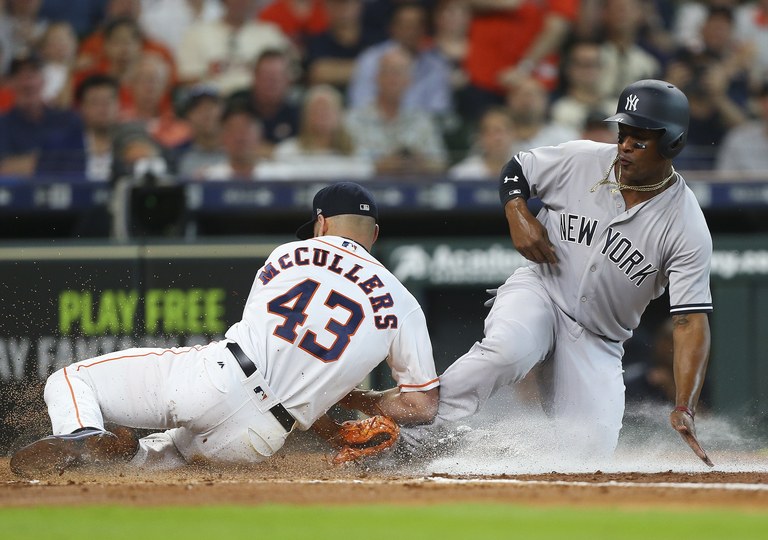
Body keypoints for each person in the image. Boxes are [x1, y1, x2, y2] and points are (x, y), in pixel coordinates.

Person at [10, 182, 439, 476]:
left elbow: (280, 344)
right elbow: (421, 406)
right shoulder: (404, 303)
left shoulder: (290, 253)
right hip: (259, 438)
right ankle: (119, 452)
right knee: (165, 457)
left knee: (70, 378)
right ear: (375, 234)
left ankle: (85, 435)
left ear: (321, 224)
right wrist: (360, 396)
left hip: (218, 379)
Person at [401, 79, 715, 467]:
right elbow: (517, 168)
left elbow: (690, 321)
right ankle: (410, 435)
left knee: (587, 456)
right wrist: (518, 213)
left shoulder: (685, 224)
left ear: (673, 144)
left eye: (640, 139)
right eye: (623, 133)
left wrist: (684, 404)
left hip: (598, 339)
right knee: (507, 350)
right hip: (541, 290)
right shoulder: (583, 158)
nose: (625, 146)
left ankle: (476, 449)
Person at [345, 45, 448, 177]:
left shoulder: (421, 120)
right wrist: (377, 167)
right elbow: (344, 165)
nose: (393, 79)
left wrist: (420, 163)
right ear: (377, 78)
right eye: (388, 72)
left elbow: (441, 164)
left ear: (409, 81)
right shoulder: (353, 119)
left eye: (399, 73)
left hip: (412, 191)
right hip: (367, 192)